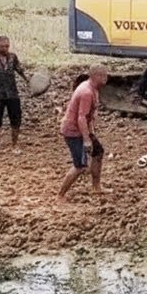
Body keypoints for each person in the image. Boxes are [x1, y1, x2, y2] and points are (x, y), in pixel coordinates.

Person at [58, 65, 109, 200]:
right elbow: (81, 117)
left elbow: (88, 116)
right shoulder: (86, 92)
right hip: (73, 131)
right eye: (103, 75)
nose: (106, 78)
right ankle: (60, 195)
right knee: (79, 166)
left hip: (83, 128)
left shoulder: (92, 89)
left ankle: (96, 187)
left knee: (98, 152)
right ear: (95, 76)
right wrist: (86, 140)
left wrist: (91, 133)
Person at [0, 35, 30, 152]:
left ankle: (14, 144)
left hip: (12, 93)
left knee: (16, 118)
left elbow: (19, 70)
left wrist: (28, 80)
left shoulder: (12, 57)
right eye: (2, 46)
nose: (5, 48)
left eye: (7, 46)